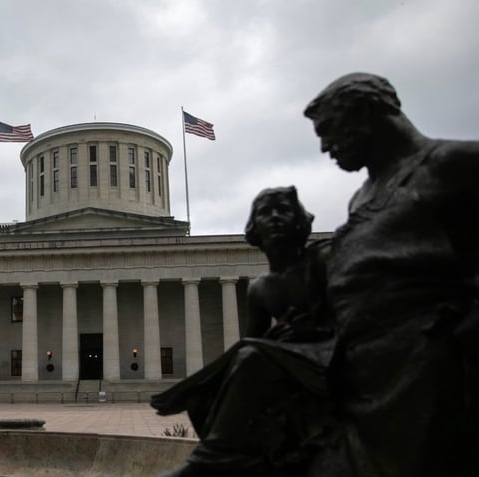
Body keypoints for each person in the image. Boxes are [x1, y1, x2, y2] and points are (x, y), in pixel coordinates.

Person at [303, 73, 479, 476]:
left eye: (329, 130)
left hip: (419, 364)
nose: (325, 146)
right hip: (358, 359)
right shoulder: (362, 196)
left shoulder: (451, 166)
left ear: (366, 114)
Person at [152, 186, 334, 477]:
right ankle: (235, 459)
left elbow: (356, 312)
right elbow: (249, 342)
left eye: (284, 210)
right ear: (254, 230)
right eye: (265, 212)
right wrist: (192, 386)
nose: (275, 218)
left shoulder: (325, 261)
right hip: (287, 358)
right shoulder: (261, 287)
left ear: (300, 221)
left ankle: (211, 461)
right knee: (206, 393)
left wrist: (308, 332)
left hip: (330, 355)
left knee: (250, 360)